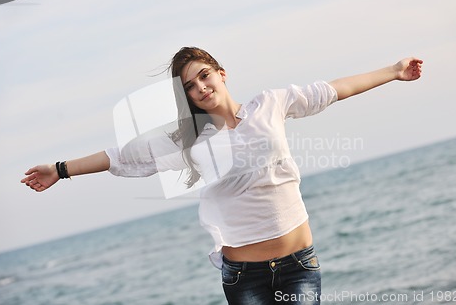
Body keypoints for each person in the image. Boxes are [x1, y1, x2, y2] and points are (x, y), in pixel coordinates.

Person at [21, 47, 423, 304]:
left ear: (221, 72)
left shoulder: (270, 104)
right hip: (243, 278)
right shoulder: (189, 142)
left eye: (204, 75)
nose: (200, 87)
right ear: (188, 97)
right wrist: (60, 170)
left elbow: (334, 90)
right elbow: (122, 156)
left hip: (298, 265)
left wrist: (393, 70)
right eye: (190, 86)